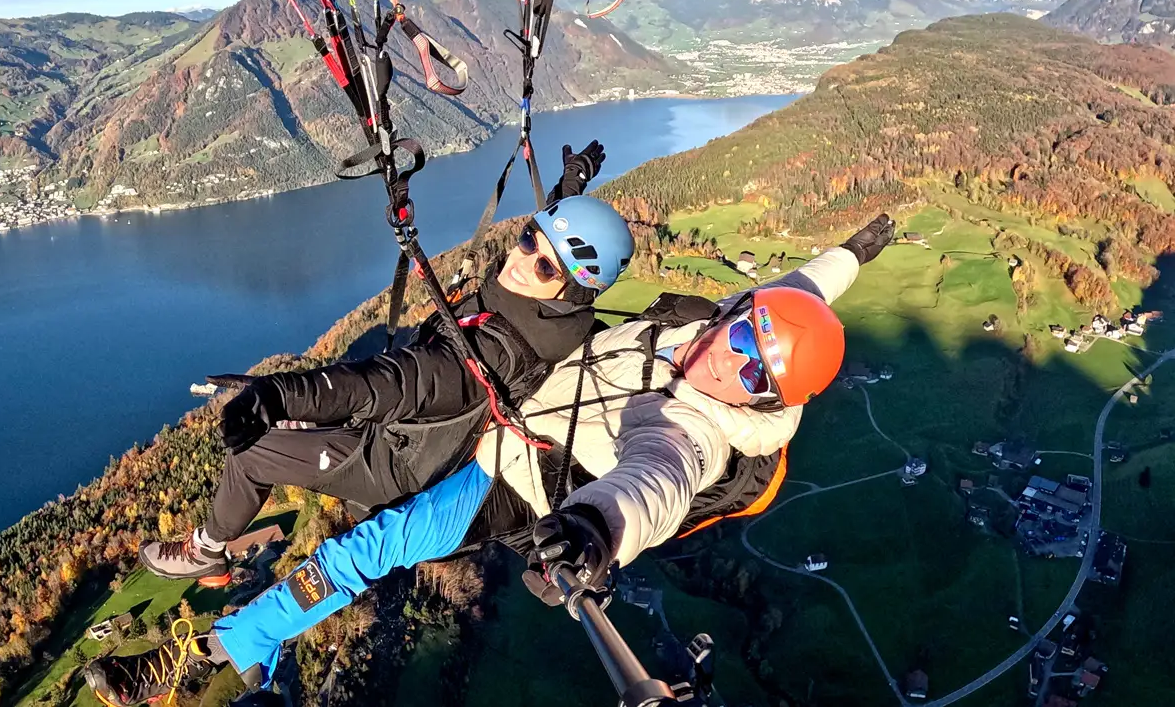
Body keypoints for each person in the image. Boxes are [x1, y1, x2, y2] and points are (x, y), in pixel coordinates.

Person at [84, 215, 897, 704]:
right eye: (745, 331)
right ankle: (228, 630)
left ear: (763, 400)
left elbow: (658, 479)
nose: (733, 356)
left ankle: (202, 654)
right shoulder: (725, 324)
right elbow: (805, 285)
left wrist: (591, 529)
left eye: (755, 371)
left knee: (366, 548)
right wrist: (859, 248)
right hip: (504, 419)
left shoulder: (694, 425)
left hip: (514, 479)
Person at [131, 142, 632, 591]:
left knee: (251, 456)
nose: (520, 260)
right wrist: (572, 185)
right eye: (527, 238)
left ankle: (207, 551)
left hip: (394, 461)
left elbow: (389, 383)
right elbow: (557, 253)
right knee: (293, 424)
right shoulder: (551, 316)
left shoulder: (493, 354)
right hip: (407, 433)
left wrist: (279, 394)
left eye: (544, 264)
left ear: (574, 290)